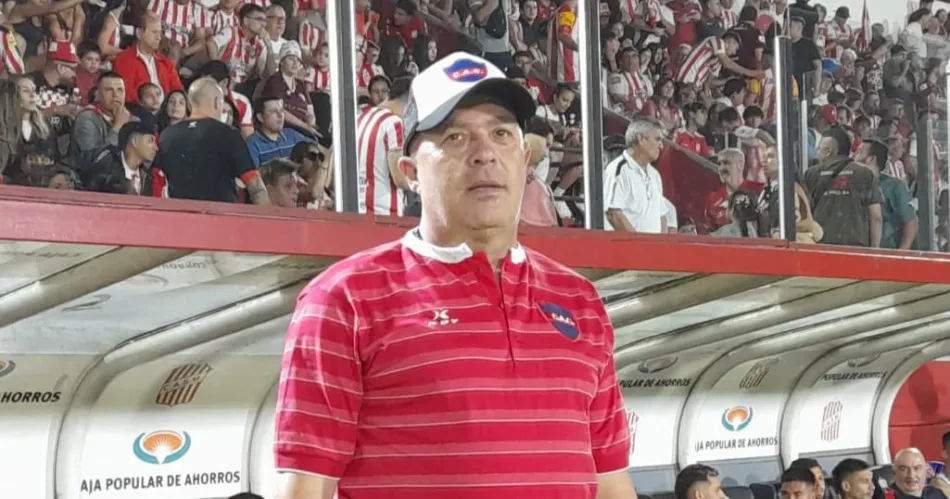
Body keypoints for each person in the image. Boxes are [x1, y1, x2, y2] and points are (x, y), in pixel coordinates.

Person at [274, 52, 636, 499]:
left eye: (501, 134)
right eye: (455, 137)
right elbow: (305, 488)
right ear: (409, 172)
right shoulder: (343, 299)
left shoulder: (579, 299)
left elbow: (611, 482)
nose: (485, 154)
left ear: (525, 160)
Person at [155, 77, 269, 205]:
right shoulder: (228, 134)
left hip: (178, 213)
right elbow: (255, 186)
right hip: (219, 214)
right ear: (217, 103)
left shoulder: (166, 135)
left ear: (190, 103)